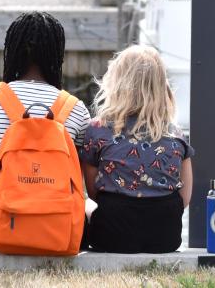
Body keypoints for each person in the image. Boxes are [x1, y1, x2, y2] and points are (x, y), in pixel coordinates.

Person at [0, 11, 91, 249]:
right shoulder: (76, 109)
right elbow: (77, 182)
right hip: (59, 228)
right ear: (58, 54)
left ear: (12, 50)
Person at [80, 45, 193, 253]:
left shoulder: (97, 129)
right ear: (161, 86)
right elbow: (184, 198)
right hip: (165, 238)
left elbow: (94, 191)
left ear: (116, 83)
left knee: (86, 204)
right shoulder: (176, 134)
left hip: (112, 237)